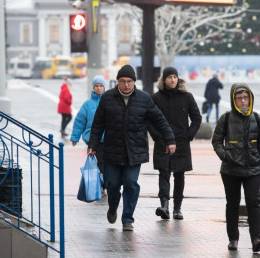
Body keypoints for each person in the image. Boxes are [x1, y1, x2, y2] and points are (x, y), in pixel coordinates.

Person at [88, 64, 176, 232]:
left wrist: (170, 139)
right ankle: (113, 207)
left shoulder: (144, 99)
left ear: (134, 82)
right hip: (112, 150)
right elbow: (98, 124)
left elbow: (159, 119)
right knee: (112, 184)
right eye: (123, 81)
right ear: (117, 82)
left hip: (134, 151)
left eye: (129, 81)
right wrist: (92, 144)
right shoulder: (107, 98)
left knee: (130, 183)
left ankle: (127, 218)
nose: (126, 85)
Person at [211, 83, 260, 253]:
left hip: (253, 169)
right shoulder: (225, 119)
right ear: (234, 100)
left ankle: (256, 239)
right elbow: (216, 141)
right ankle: (233, 239)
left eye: (245, 98)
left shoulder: (258, 120)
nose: (243, 101)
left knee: (253, 204)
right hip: (230, 170)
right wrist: (226, 155)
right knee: (232, 204)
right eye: (239, 98)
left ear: (250, 99)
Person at [148, 67, 202, 220]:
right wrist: (158, 138)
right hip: (162, 142)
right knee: (163, 173)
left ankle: (177, 208)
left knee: (179, 175)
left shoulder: (187, 97)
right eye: (169, 77)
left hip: (181, 143)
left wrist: (188, 135)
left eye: (175, 77)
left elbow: (197, 118)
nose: (173, 79)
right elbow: (149, 121)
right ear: (163, 79)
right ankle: (164, 206)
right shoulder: (156, 98)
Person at [70, 75, 107, 194]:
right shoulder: (87, 104)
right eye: (96, 86)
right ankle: (98, 186)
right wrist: (75, 137)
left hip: (108, 140)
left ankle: (104, 186)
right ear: (93, 88)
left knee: (106, 164)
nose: (99, 88)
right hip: (93, 141)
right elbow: (80, 121)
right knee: (95, 165)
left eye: (101, 86)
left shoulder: (108, 102)